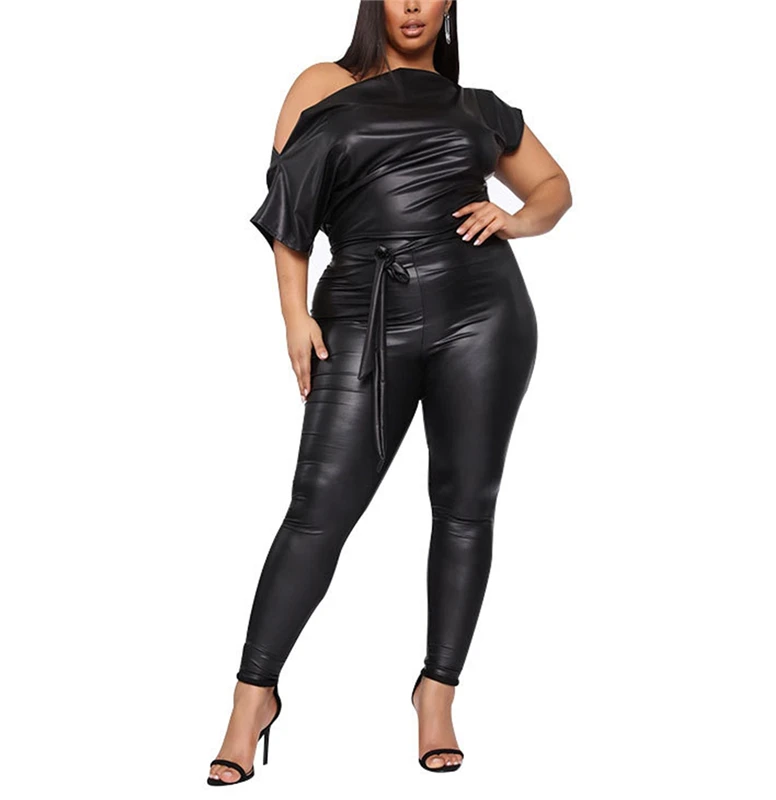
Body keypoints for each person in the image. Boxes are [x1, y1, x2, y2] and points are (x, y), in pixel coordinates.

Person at [208, 0, 571, 784]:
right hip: (362, 315)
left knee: (466, 506)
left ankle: (437, 694)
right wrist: (293, 315)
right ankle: (252, 698)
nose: (412, 5)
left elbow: (555, 187)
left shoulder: (476, 106)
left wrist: (514, 219)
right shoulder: (322, 84)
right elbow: (290, 210)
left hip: (485, 314)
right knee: (318, 510)